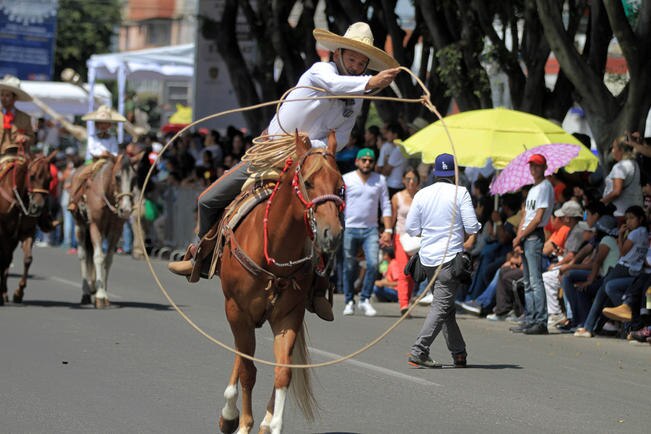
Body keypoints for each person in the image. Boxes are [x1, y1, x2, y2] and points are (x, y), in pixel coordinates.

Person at [167, 22, 400, 322]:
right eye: (352, 58)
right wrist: (370, 83)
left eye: (361, 62)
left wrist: (311, 146)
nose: (355, 66)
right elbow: (335, 86)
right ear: (338, 53)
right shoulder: (320, 72)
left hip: (312, 161)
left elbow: (341, 137)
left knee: (329, 213)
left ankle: (318, 284)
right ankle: (199, 253)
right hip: (272, 153)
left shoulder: (354, 99)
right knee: (208, 199)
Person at [406, 153, 481, 368]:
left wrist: (429, 231)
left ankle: (459, 353)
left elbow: (412, 228)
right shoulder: (461, 193)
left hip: (428, 259)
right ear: (454, 173)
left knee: (445, 308)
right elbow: (471, 227)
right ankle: (419, 350)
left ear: (435, 172)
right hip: (449, 260)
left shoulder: (422, 194)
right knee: (441, 306)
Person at [342, 148, 393, 317]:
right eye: (363, 160)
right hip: (349, 227)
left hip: (371, 229)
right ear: (357, 161)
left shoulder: (380, 180)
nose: (367, 163)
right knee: (349, 266)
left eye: (370, 161)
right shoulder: (346, 179)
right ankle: (349, 301)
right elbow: (339, 203)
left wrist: (388, 230)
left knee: (372, 264)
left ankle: (364, 299)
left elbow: (385, 205)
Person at [510, 154, 555, 335]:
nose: (533, 169)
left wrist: (521, 235)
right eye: (532, 166)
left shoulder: (545, 187)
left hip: (534, 235)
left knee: (535, 280)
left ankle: (540, 320)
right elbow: (525, 216)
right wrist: (518, 236)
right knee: (528, 281)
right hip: (526, 235)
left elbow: (537, 219)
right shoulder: (533, 189)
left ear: (544, 167)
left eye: (537, 166)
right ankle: (531, 318)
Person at [67, 105, 126, 214]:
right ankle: (74, 201)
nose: (103, 125)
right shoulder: (92, 137)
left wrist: (109, 154)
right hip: (94, 161)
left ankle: (124, 199)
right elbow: (91, 150)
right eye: (100, 123)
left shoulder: (112, 138)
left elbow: (114, 152)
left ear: (109, 125)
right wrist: (100, 154)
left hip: (110, 162)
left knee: (123, 176)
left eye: (105, 123)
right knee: (79, 176)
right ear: (97, 125)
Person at [390, 167, 420, 315]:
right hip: (400, 237)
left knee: (413, 272)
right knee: (403, 271)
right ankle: (403, 304)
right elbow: (392, 217)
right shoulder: (397, 197)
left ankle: (407, 299)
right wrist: (387, 232)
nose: (411, 182)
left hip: (417, 239)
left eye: (414, 179)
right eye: (408, 179)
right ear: (403, 180)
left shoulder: (422, 197)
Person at [601, 136, 643, 220]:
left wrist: (601, 202)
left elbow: (616, 191)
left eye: (614, 148)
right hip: (634, 209)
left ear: (621, 150)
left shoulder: (620, 167)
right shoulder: (634, 164)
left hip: (619, 212)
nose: (612, 151)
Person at [0, 75, 34, 155]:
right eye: (2, 95)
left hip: (16, 157)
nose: (3, 98)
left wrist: (25, 138)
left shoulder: (25, 118)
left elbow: (32, 138)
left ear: (14, 98)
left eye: (7, 95)